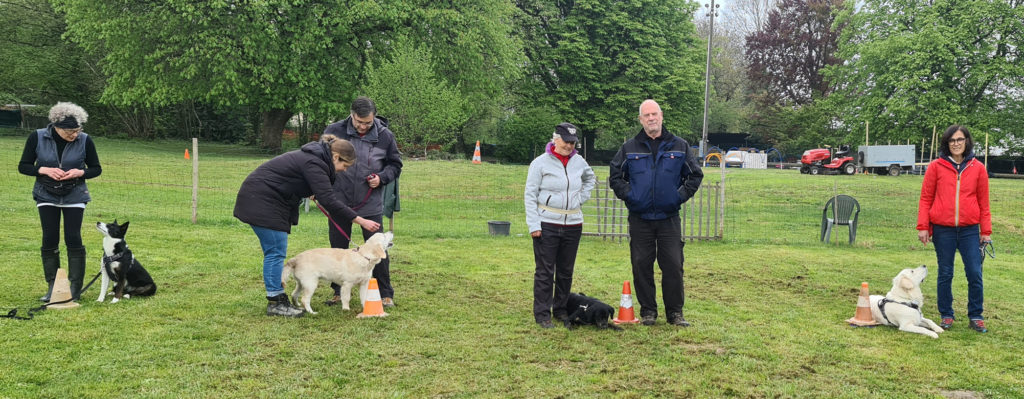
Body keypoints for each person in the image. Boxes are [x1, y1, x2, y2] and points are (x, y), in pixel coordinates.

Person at [234, 134, 381, 317]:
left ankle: (278, 299)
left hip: (268, 200)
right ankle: (275, 302)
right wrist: (360, 219)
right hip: (261, 201)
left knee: (276, 250)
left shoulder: (316, 159)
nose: (343, 170)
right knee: (275, 252)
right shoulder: (314, 162)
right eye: (345, 165)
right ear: (335, 157)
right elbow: (328, 199)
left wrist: (309, 190)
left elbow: (304, 184)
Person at [608, 99, 703, 327]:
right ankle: (648, 311)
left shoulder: (679, 146)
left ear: (661, 116)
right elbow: (615, 177)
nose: (651, 118)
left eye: (654, 114)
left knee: (672, 264)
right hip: (640, 218)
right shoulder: (629, 148)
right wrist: (631, 196)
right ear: (641, 120)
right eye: (646, 115)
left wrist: (677, 197)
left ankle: (675, 313)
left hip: (669, 218)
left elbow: (694, 175)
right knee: (641, 265)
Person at [322, 96, 403, 308]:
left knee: (378, 249)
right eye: (359, 121)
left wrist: (382, 178)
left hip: (370, 203)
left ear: (374, 117)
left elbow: (395, 165)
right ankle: (338, 291)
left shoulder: (385, 135)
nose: (363, 126)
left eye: (367, 122)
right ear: (351, 114)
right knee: (338, 249)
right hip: (338, 200)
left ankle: (385, 293)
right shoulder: (334, 130)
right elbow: (319, 161)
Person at [18, 102, 102, 302]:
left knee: (73, 237)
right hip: (46, 194)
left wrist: (80, 172)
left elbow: (96, 168)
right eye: (70, 131)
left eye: (77, 130)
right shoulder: (37, 137)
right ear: (56, 127)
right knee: (50, 237)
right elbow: (23, 166)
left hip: (75, 194)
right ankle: (53, 286)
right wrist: (43, 169)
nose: (74, 134)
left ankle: (75, 287)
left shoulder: (85, 140)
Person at [917, 125, 992, 333]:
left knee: (975, 273)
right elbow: (926, 198)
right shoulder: (935, 167)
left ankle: (976, 315)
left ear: (967, 141)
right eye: (952, 140)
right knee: (946, 273)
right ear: (946, 143)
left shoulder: (978, 168)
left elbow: (984, 203)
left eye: (960, 139)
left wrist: (985, 231)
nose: (956, 143)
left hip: (969, 230)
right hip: (943, 230)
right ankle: (946, 315)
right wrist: (923, 226)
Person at [524, 122, 596, 329]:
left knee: (566, 271)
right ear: (555, 139)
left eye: (573, 142)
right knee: (545, 272)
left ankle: (561, 309)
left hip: (573, 223)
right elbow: (530, 195)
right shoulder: (539, 163)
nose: (569, 146)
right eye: (566, 141)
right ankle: (542, 313)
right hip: (547, 223)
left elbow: (590, 179)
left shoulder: (579, 162)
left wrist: (581, 197)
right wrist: (533, 224)